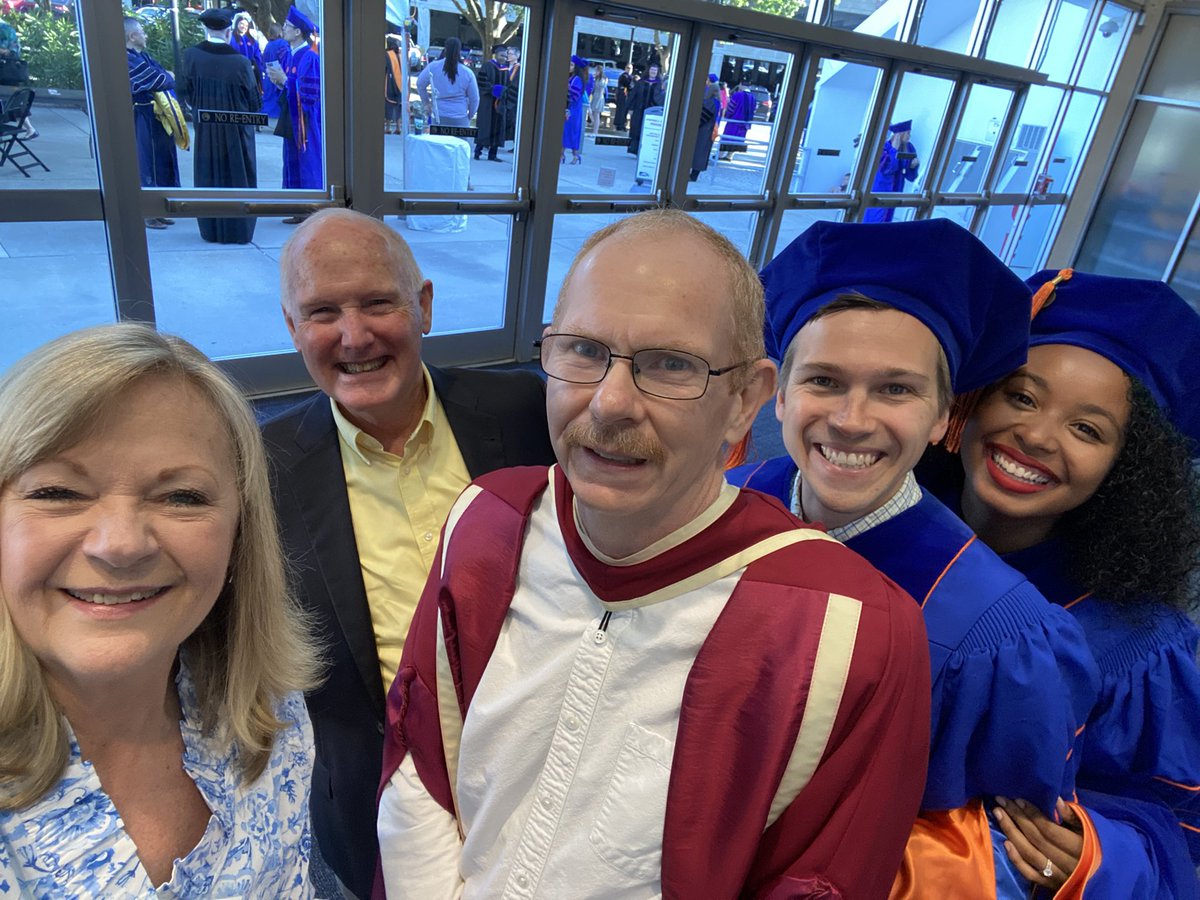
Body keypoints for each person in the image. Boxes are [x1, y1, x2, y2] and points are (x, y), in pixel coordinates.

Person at [377, 209, 932, 898]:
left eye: (671, 365)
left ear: (745, 402)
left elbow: (820, 881)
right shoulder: (486, 524)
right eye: (582, 350)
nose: (610, 404)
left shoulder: (854, 635)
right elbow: (420, 764)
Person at [728, 220, 1101, 896]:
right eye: (823, 380)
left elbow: (1000, 860)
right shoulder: (719, 510)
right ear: (778, 393)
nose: (851, 419)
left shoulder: (1000, 634)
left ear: (940, 417)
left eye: (896, 389)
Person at [262, 208, 555, 899]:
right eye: (322, 311)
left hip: (536, 766)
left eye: (377, 302)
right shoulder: (260, 470)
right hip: (376, 801)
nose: (354, 335)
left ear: (422, 305)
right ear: (292, 328)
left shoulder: (522, 411)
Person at [0, 323, 321, 897]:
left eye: (182, 497)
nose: (120, 545)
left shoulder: (270, 714)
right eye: (58, 492)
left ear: (238, 537)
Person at [931, 270, 1200, 897]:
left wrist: (1097, 851)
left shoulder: (1138, 646)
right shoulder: (874, 525)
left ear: (1126, 471)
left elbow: (1182, 826)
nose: (1036, 435)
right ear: (970, 398)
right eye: (1022, 397)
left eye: (1088, 429)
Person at [180, 9, 259, 245]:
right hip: (237, 133)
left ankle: (210, 229)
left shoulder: (191, 56)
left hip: (207, 131)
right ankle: (237, 230)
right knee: (238, 176)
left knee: (208, 174)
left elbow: (186, 94)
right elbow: (254, 103)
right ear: (228, 32)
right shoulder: (241, 62)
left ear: (206, 30)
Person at [124, 16, 180, 230]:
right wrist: (166, 76)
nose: (145, 35)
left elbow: (164, 76)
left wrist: (166, 76)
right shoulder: (127, 59)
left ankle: (159, 209)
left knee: (161, 163)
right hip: (141, 118)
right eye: (142, 31)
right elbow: (161, 79)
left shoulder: (142, 56)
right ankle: (148, 212)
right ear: (132, 36)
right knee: (146, 163)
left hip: (155, 117)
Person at [267, 6, 322, 212]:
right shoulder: (289, 54)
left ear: (298, 32)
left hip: (305, 122)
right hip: (291, 117)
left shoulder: (310, 57)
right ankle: (294, 207)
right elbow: (292, 85)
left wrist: (285, 81)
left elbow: (310, 94)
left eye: (287, 26)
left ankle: (310, 209)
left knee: (307, 162)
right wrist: (280, 82)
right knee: (290, 160)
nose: (283, 28)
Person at [864, 120, 920, 223]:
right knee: (875, 218)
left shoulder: (909, 148)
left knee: (887, 219)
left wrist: (913, 167)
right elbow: (888, 169)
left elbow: (910, 176)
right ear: (899, 134)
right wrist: (894, 149)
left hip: (895, 190)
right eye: (907, 133)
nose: (909, 136)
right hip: (881, 188)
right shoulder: (885, 147)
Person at [415, 36, 478, 128]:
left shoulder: (433, 67)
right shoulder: (467, 73)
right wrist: (470, 115)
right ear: (459, 50)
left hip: (439, 116)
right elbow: (474, 98)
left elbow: (420, 84)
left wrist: (426, 103)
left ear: (445, 48)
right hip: (460, 116)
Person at [0, 20, 35, 139]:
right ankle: (30, 129)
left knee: (11, 101)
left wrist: (2, 51)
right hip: (5, 70)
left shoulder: (5, 28)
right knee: (11, 102)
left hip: (5, 70)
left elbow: (13, 51)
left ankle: (30, 128)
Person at [473, 45, 507, 161]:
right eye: (502, 55)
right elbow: (481, 82)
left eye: (505, 56)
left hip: (499, 103)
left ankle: (493, 154)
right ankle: (478, 152)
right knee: (485, 126)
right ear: (495, 55)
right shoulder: (487, 66)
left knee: (498, 127)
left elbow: (509, 86)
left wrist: (504, 92)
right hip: (487, 102)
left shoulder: (505, 69)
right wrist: (494, 89)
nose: (504, 58)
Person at [626, 61, 665, 156]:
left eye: (655, 70)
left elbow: (661, 98)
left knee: (648, 130)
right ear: (649, 71)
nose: (653, 72)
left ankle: (646, 151)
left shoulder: (660, 84)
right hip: (639, 110)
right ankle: (635, 149)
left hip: (652, 112)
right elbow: (633, 95)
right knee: (637, 129)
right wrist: (630, 108)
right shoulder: (641, 82)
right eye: (652, 69)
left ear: (657, 72)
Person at [228, 11, 264, 109]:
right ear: (237, 24)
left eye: (246, 25)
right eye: (241, 24)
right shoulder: (231, 38)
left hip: (250, 73)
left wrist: (255, 66)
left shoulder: (252, 40)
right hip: (236, 73)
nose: (244, 26)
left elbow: (258, 56)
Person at [689, 74, 721, 181]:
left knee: (698, 153)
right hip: (707, 130)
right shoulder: (716, 101)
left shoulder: (710, 102)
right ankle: (694, 175)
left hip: (702, 130)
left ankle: (693, 176)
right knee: (700, 153)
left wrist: (693, 124)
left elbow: (703, 116)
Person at [718, 77, 756, 160]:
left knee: (727, 137)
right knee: (738, 139)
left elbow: (731, 108)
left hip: (734, 121)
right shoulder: (753, 97)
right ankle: (729, 156)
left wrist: (727, 116)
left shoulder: (737, 95)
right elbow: (753, 111)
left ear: (741, 84)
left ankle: (720, 155)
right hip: (745, 124)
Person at [561, 55, 588, 165]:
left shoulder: (577, 79)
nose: (569, 67)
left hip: (574, 110)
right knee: (564, 132)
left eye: (571, 65)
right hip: (569, 108)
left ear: (576, 67)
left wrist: (567, 88)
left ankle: (575, 155)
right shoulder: (570, 77)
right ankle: (562, 155)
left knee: (570, 132)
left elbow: (575, 95)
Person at [260, 23, 289, 119]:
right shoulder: (283, 44)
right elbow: (285, 60)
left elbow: (263, 62)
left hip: (269, 77)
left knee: (268, 99)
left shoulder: (268, 45)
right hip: (279, 76)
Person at [384, 34, 405, 135]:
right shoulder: (401, 55)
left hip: (390, 83)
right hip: (402, 85)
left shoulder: (387, 55)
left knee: (388, 105)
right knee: (398, 106)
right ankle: (398, 127)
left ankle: (387, 128)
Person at [502, 46, 520, 148]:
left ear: (517, 56)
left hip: (513, 99)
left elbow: (516, 84)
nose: (508, 55)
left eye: (511, 53)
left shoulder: (519, 68)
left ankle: (515, 145)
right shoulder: (504, 66)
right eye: (508, 53)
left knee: (514, 121)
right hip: (503, 97)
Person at [588, 62, 608, 135]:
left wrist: (598, 102)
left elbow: (601, 91)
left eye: (596, 71)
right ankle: (594, 130)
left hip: (599, 97)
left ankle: (595, 132)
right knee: (593, 113)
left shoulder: (602, 80)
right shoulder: (596, 79)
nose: (595, 72)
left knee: (596, 115)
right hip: (595, 96)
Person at [613, 62, 633, 131]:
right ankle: (620, 125)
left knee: (624, 111)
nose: (629, 70)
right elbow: (629, 86)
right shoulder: (624, 76)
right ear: (625, 68)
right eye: (628, 68)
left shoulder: (629, 77)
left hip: (626, 96)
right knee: (621, 111)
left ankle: (621, 124)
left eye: (630, 68)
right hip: (622, 96)